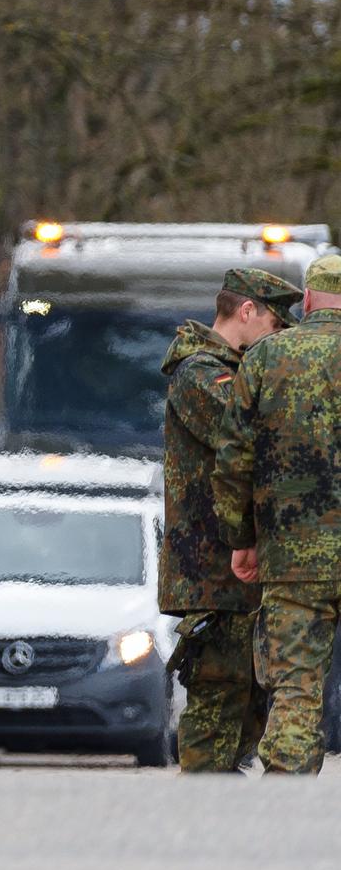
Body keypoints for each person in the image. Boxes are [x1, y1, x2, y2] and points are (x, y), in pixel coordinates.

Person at [161, 265, 294, 772]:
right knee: (217, 707)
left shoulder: (229, 372)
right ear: (247, 311)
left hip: (236, 571)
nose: (277, 340)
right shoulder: (200, 374)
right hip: (214, 573)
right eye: (275, 327)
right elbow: (256, 435)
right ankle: (200, 821)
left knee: (247, 711)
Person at [218, 249, 341, 773]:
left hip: (294, 558)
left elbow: (234, 459)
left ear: (308, 300)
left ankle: (287, 803)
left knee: (295, 687)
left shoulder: (266, 358)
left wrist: (241, 537)